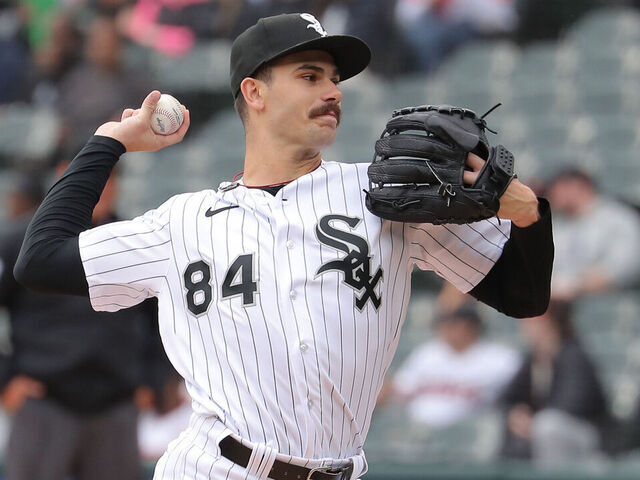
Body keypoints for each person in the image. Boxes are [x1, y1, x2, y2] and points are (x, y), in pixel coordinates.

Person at [13, 12, 553, 480]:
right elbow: (39, 259)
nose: (333, 91)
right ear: (255, 92)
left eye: (335, 79)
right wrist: (108, 143)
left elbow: (524, 296)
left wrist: (528, 212)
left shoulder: (387, 196)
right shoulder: (179, 223)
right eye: (309, 75)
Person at [0, 170, 163, 480]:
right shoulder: (20, 241)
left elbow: (162, 317)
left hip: (116, 404)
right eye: (92, 177)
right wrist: (4, 380)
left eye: (109, 179)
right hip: (43, 402)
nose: (100, 188)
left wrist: (152, 379)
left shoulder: (135, 242)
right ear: (64, 178)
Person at [499, 300, 608, 467]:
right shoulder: (534, 359)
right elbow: (505, 399)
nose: (524, 327)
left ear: (549, 323)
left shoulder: (573, 355)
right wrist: (515, 415)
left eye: (531, 321)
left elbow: (571, 406)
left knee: (548, 426)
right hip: (544, 430)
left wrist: (532, 423)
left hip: (589, 437)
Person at [390, 305, 519, 429]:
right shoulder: (427, 353)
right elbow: (401, 388)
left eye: (454, 324)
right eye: (446, 323)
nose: (447, 329)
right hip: (420, 431)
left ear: (472, 326)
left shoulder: (501, 358)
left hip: (472, 434)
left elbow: (516, 399)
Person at [547, 167, 640, 301]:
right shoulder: (561, 225)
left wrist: (578, 284)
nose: (555, 192)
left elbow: (627, 265)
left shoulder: (616, 215)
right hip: (568, 301)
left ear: (581, 185)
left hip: (611, 297)